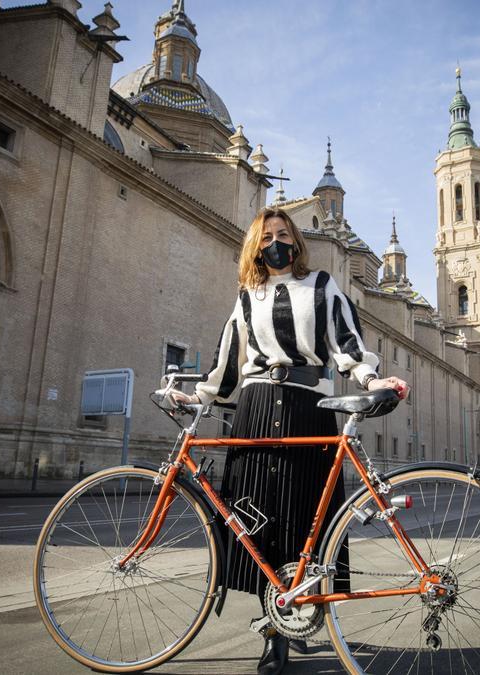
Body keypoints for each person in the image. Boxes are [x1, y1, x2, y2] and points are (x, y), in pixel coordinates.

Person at [171, 207, 409, 675]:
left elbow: (347, 344)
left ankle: (302, 609)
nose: (274, 242)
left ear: (296, 242)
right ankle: (274, 632)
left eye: (282, 234)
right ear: (254, 247)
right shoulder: (246, 297)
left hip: (309, 408)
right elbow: (226, 366)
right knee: (259, 521)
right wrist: (195, 396)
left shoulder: (323, 286)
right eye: (266, 237)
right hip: (256, 411)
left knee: (304, 517)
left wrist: (371, 377)